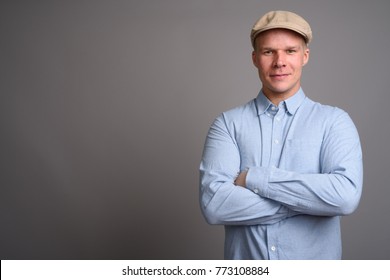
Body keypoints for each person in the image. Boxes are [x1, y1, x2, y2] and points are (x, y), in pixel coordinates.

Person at [199, 10, 363, 259]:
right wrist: (309, 203)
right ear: (255, 58)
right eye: (268, 52)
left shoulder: (334, 122)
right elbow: (215, 206)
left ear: (305, 56)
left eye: (290, 51)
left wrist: (256, 179)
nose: (279, 62)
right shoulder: (227, 124)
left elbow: (344, 198)